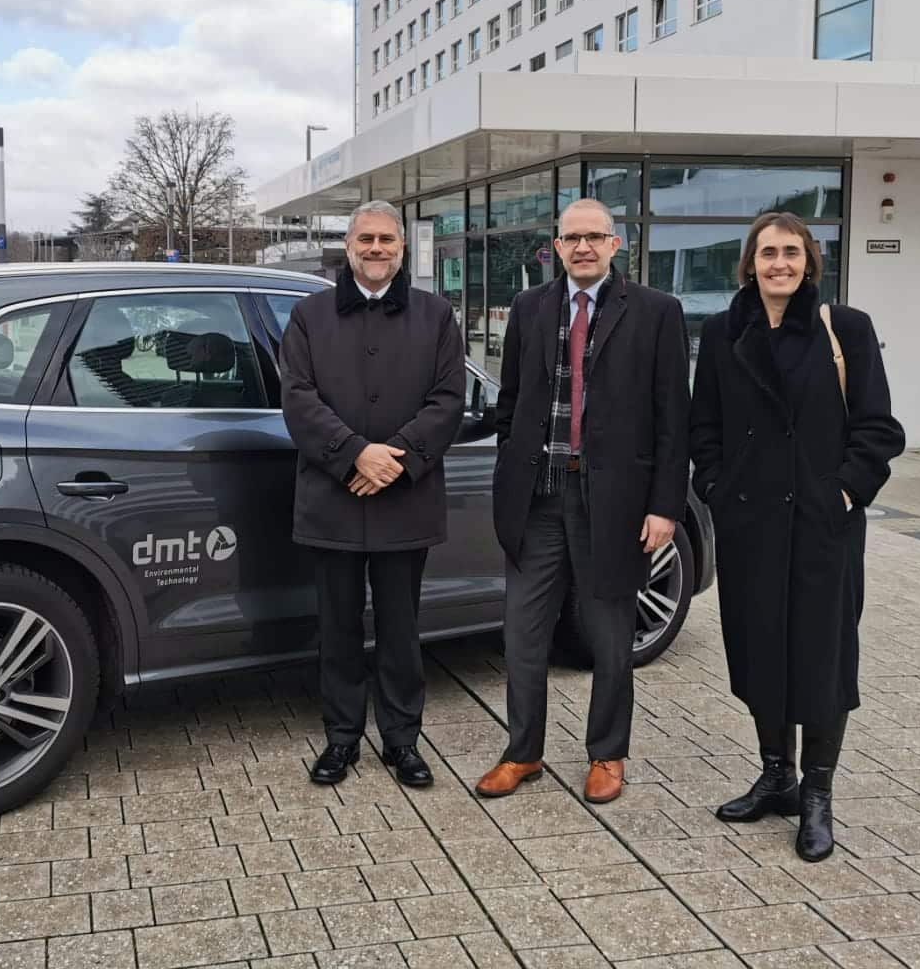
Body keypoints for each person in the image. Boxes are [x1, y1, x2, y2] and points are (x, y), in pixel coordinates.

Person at [689, 212, 905, 862]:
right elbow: (705, 426)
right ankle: (776, 775)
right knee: (760, 649)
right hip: (750, 524)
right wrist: (718, 488)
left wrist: (842, 493)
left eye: (790, 251)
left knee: (822, 657)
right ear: (749, 264)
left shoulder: (847, 328)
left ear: (809, 260)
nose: (778, 263)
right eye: (766, 253)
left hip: (822, 527)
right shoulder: (723, 331)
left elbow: (878, 428)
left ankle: (817, 794)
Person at [476, 198, 689, 805]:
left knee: (610, 639)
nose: (583, 247)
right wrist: (504, 462)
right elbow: (511, 401)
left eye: (595, 236)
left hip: (614, 505)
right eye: (572, 238)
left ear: (615, 245)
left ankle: (607, 754)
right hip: (537, 500)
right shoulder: (529, 308)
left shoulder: (656, 311)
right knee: (523, 635)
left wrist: (665, 506)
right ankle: (523, 753)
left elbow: (674, 418)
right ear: (557, 247)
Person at [280, 200, 465, 789]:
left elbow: (448, 401)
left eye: (387, 239)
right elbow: (298, 399)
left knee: (400, 630)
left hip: (404, 500)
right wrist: (355, 453)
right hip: (332, 500)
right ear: (349, 246)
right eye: (366, 239)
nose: (377, 248)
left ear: (402, 248)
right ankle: (341, 738)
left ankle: (402, 740)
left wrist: (395, 459)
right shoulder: (309, 316)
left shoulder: (437, 316)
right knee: (337, 629)